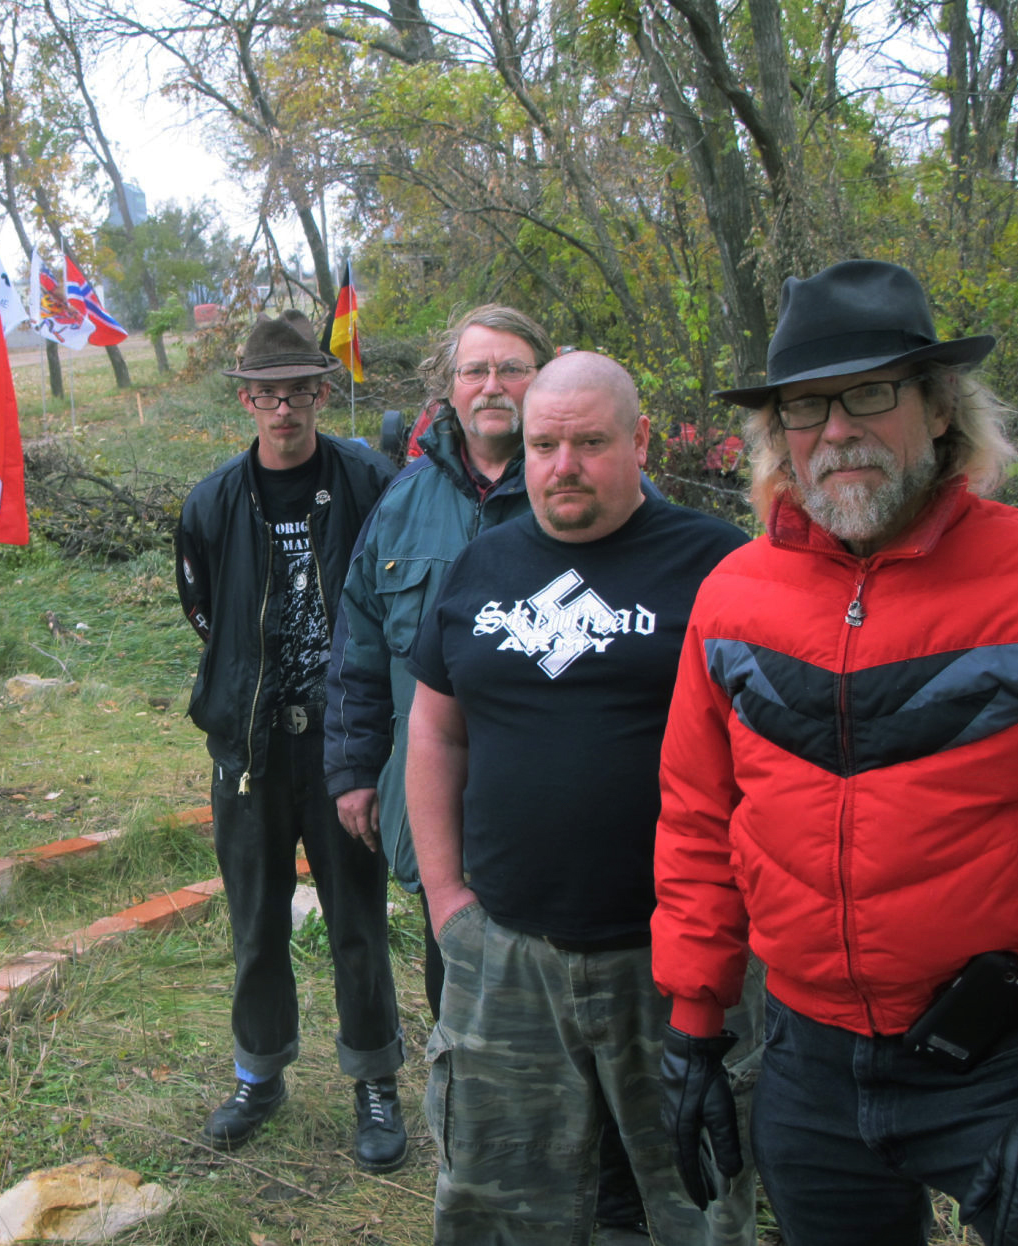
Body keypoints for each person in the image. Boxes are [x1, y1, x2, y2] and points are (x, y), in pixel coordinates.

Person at [653, 258, 1018, 1246]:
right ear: (779, 434)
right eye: (806, 406)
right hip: (808, 1064)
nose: (836, 431)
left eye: (869, 394)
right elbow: (701, 819)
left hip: (1004, 1059)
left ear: (935, 406)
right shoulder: (732, 598)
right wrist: (692, 1026)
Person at [406, 351, 759, 1244]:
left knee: (702, 1203)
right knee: (495, 1204)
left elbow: (772, 753)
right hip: (508, 956)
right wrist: (448, 900)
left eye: (590, 443)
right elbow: (435, 733)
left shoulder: (720, 565)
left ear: (639, 440)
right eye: (544, 444)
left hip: (676, 958)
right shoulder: (481, 568)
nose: (562, 466)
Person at [325, 306, 651, 1231]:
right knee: (464, 1002)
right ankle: (497, 1158)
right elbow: (357, 642)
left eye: (513, 369)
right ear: (449, 389)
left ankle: (609, 1183)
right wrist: (354, 768)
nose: (494, 387)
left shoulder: (592, 488)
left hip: (592, 857)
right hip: (446, 830)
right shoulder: (403, 501)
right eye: (476, 372)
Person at [175, 314, 408, 1172]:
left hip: (344, 746)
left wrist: (366, 732)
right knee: (256, 922)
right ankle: (259, 1074)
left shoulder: (368, 482)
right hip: (250, 749)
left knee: (358, 920)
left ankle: (375, 1081)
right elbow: (206, 612)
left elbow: (391, 601)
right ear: (247, 400)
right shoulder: (211, 504)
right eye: (267, 395)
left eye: (298, 392)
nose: (284, 411)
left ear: (320, 391)